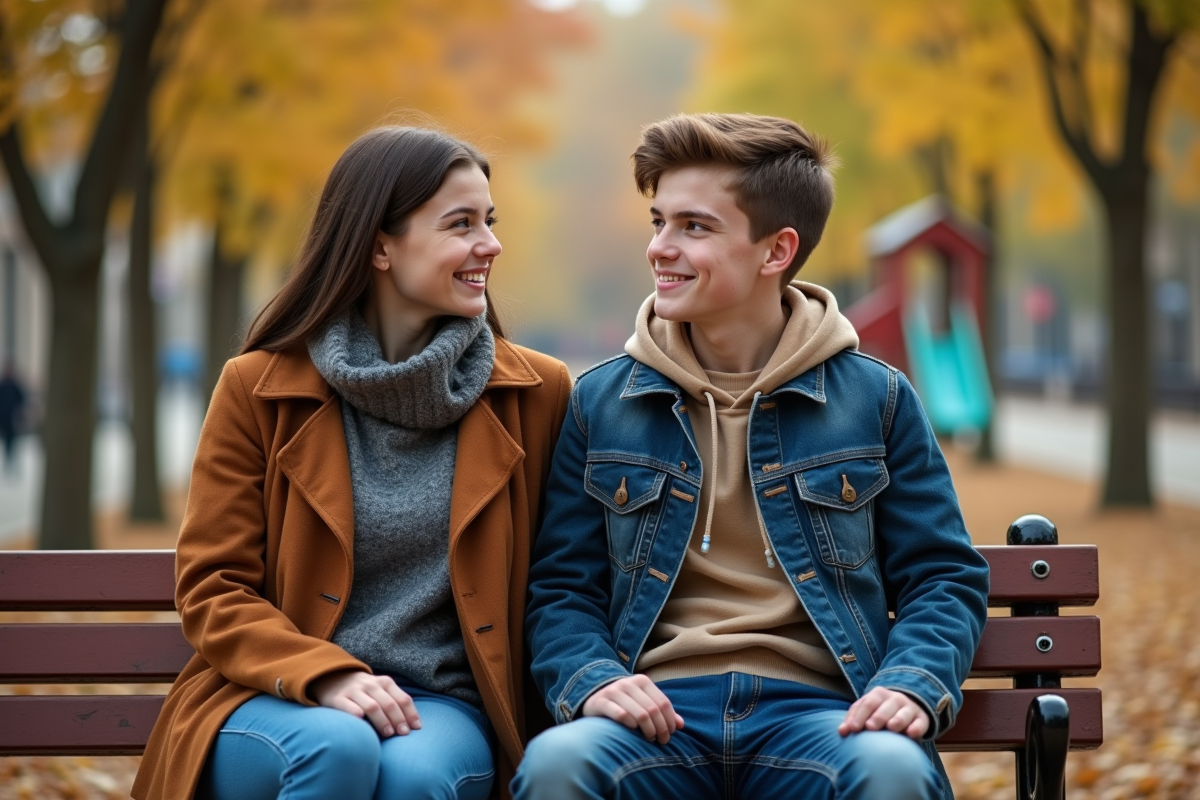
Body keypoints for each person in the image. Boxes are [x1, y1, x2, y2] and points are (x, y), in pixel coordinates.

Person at [514, 113, 989, 800]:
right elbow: (562, 590)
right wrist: (597, 679)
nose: (660, 249)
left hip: (823, 717)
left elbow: (943, 577)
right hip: (656, 718)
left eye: (694, 227)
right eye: (658, 222)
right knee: (562, 765)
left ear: (775, 252)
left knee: (892, 772)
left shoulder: (875, 399)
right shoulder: (600, 403)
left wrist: (909, 685)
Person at [132, 126, 571, 800]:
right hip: (275, 693)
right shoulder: (258, 389)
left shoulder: (537, 395)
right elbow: (214, 586)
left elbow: (561, 579)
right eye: (461, 224)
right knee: (337, 747)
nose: (490, 244)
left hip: (442, 707)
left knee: (412, 774)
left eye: (490, 221)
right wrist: (326, 674)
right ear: (378, 246)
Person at [0, 360, 26, 475]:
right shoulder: (4, 384)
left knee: (11, 442)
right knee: (8, 442)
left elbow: (22, 399)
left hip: (11, 419)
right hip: (3, 418)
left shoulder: (14, 385)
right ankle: (9, 463)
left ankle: (11, 464)